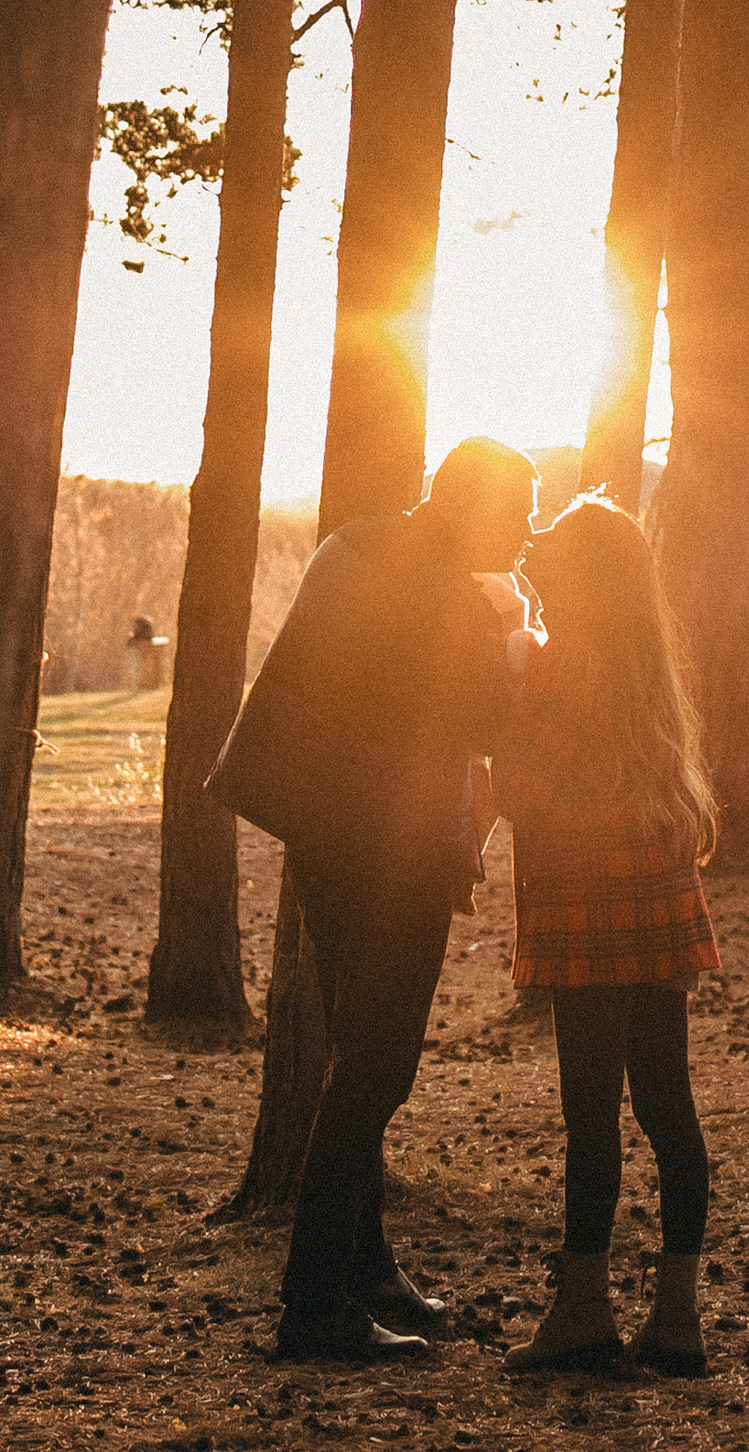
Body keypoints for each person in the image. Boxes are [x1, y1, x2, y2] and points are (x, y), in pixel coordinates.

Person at [206, 434, 538, 1361]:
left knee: (363, 1054)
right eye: (519, 510)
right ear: (474, 504)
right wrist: (513, 640)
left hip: (332, 835)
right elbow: (467, 712)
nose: (528, 530)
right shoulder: (432, 589)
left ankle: (366, 1266)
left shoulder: (366, 547)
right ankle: (311, 1303)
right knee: (380, 1066)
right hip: (381, 848)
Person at [491, 493, 719, 1378]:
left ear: (584, 575)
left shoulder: (564, 661)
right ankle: (678, 1316)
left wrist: (505, 686)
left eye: (552, 547)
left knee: (591, 1117)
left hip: (591, 911)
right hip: (657, 904)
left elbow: (525, 787)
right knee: (669, 1109)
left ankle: (583, 1311)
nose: (534, 548)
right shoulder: (641, 662)